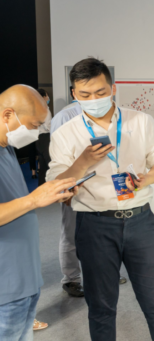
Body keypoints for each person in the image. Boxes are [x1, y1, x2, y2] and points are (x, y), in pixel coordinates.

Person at [48, 58, 154, 340]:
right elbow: (57, 183)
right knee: (101, 307)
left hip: (140, 221)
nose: (94, 100)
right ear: (74, 94)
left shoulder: (140, 121)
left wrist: (146, 179)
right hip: (94, 225)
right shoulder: (65, 134)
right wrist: (82, 162)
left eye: (101, 92)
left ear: (113, 88)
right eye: (85, 95)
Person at [0, 85, 78, 341]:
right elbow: (26, 202)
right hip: (5, 289)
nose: (35, 133)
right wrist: (33, 200)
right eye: (33, 125)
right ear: (7, 114)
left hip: (23, 282)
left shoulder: (6, 148)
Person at [50, 85, 128, 298]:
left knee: (104, 232)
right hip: (76, 184)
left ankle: (105, 272)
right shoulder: (65, 116)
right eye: (87, 91)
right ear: (75, 92)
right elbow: (57, 155)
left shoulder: (112, 114)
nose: (95, 98)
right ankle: (71, 279)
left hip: (104, 183)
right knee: (71, 232)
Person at [36, 89, 52, 186]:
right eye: (47, 95)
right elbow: (48, 126)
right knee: (50, 163)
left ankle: (41, 186)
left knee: (42, 165)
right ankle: (53, 186)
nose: (48, 97)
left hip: (38, 138)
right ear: (43, 97)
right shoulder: (44, 108)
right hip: (45, 137)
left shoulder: (36, 108)